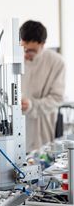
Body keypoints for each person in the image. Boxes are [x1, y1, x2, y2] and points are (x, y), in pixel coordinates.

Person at [20, 20, 65, 152]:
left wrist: (31, 105)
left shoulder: (56, 62)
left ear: (43, 44)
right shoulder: (12, 60)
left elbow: (56, 98)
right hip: (13, 133)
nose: (26, 54)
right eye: (24, 49)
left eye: (32, 50)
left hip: (41, 132)